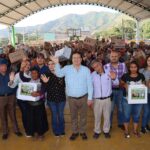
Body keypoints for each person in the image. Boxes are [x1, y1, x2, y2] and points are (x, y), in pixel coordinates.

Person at [50, 51, 93, 141]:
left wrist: (90, 98)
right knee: (73, 116)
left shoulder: (86, 70)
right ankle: (75, 132)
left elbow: (90, 85)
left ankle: (82, 131)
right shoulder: (67, 68)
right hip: (71, 98)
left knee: (83, 116)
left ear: (81, 59)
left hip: (84, 97)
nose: (76, 59)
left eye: (78, 58)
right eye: (74, 58)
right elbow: (59, 74)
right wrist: (57, 63)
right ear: (72, 59)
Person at [91, 59, 117, 139]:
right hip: (96, 100)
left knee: (107, 116)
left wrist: (114, 78)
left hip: (107, 99)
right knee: (97, 116)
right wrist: (90, 99)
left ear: (101, 64)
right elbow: (90, 87)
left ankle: (106, 131)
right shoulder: (92, 75)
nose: (96, 68)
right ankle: (97, 131)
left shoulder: (109, 72)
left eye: (97, 66)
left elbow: (117, 83)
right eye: (94, 67)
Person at [41, 60, 66, 137]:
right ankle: (56, 130)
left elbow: (63, 85)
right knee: (54, 115)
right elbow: (43, 90)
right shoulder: (45, 75)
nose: (51, 66)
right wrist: (45, 83)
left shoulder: (61, 74)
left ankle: (61, 130)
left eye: (53, 64)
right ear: (47, 65)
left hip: (61, 98)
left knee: (61, 115)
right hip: (51, 99)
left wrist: (58, 76)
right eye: (49, 64)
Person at [120, 61, 145, 138]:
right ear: (129, 68)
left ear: (137, 68)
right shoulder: (125, 76)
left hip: (138, 100)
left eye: (135, 67)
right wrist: (124, 85)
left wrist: (143, 86)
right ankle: (126, 131)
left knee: (136, 116)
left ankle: (135, 130)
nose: (133, 69)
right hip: (127, 99)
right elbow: (120, 84)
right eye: (131, 67)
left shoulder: (141, 76)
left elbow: (144, 85)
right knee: (126, 115)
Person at [0, 58, 22, 140]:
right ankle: (5, 131)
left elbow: (16, 85)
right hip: (1, 98)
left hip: (11, 96)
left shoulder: (11, 74)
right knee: (2, 115)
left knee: (12, 114)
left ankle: (16, 130)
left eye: (5, 66)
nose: (3, 67)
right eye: (1, 66)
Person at [8, 59, 32, 137]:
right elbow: (12, 86)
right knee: (25, 115)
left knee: (31, 114)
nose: (27, 66)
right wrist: (11, 80)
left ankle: (33, 128)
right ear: (21, 66)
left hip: (31, 98)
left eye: (28, 64)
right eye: (24, 65)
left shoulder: (32, 73)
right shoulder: (18, 75)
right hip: (22, 99)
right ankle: (28, 131)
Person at [104, 50, 126, 129]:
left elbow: (125, 77)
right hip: (110, 91)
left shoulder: (123, 66)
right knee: (110, 109)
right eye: (112, 56)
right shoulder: (106, 66)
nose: (113, 58)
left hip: (121, 90)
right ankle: (109, 124)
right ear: (109, 57)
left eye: (115, 56)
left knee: (121, 108)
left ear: (118, 56)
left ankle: (120, 123)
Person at [26, 67, 48, 140]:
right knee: (32, 119)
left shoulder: (42, 81)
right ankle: (35, 133)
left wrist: (39, 93)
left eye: (35, 73)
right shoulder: (28, 82)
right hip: (30, 104)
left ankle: (41, 133)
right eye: (32, 73)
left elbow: (44, 89)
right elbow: (25, 92)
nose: (33, 74)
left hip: (39, 104)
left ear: (38, 74)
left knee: (40, 119)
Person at [140, 55, 150, 133]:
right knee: (146, 111)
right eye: (149, 60)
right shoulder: (142, 71)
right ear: (146, 61)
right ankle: (143, 126)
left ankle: (146, 124)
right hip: (145, 94)